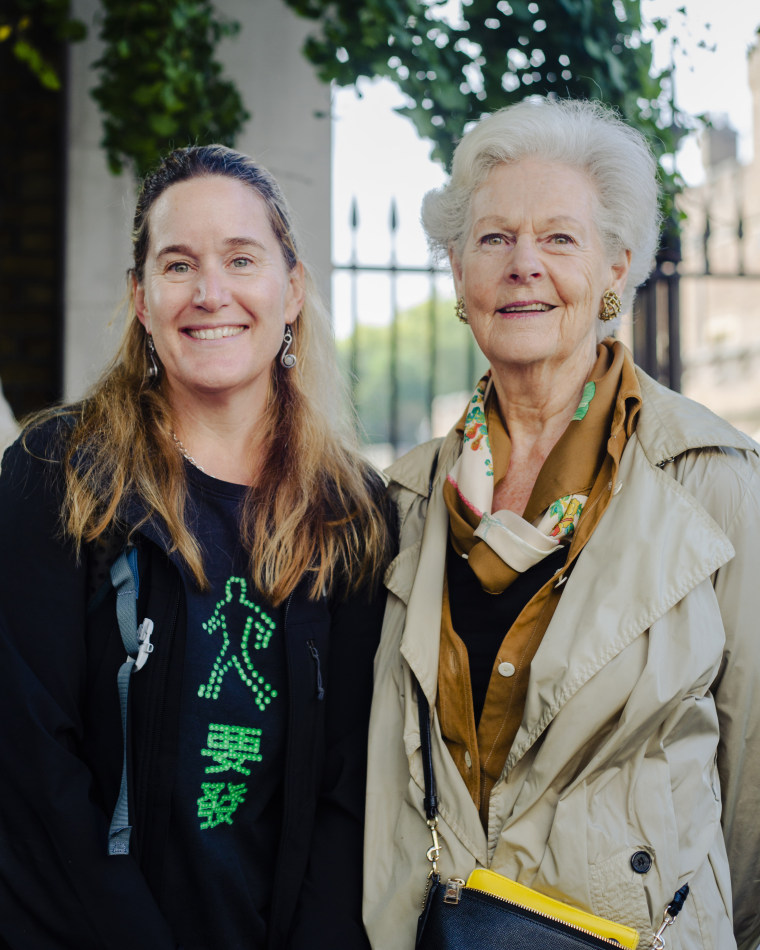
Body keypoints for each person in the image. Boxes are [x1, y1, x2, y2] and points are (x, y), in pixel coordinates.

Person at [363, 98, 760, 950]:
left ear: (616, 269)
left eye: (560, 239)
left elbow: (753, 779)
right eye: (495, 239)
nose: (523, 266)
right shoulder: (405, 501)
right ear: (460, 274)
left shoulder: (713, 480)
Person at [0, 145, 390, 950]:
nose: (210, 293)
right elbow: (32, 771)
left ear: (292, 290)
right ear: (142, 300)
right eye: (178, 265)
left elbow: (346, 794)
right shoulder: (56, 475)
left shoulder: (352, 512)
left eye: (241, 259)